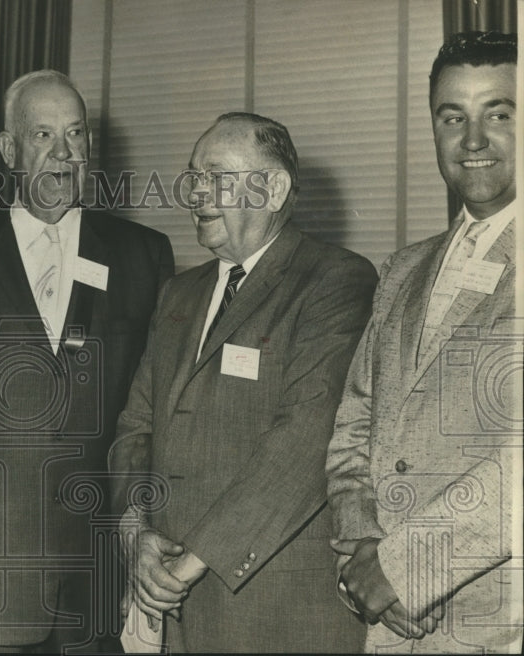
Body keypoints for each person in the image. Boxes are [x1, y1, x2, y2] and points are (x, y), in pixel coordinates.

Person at [0, 69, 173, 652]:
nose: (64, 154)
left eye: (77, 134)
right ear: (9, 150)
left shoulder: (144, 255)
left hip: (101, 572)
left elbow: (156, 420)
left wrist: (147, 542)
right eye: (42, 136)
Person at [111, 112, 377, 652]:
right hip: (171, 607)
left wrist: (190, 563)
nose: (196, 193)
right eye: (192, 177)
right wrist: (134, 530)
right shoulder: (177, 294)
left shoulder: (335, 280)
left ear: (273, 188)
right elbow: (135, 426)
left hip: (273, 611)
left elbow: (305, 440)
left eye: (217, 177)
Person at [327, 31, 521, 653]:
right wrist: (362, 551)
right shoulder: (403, 270)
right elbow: (353, 426)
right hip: (389, 628)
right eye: (452, 117)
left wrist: (406, 568)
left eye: (499, 113)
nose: (472, 141)